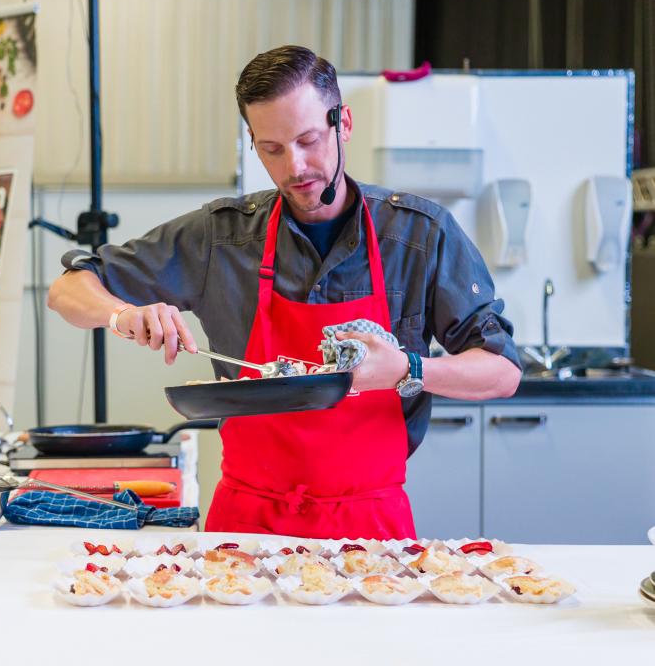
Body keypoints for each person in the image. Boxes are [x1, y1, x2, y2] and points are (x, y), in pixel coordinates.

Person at [48, 45, 521, 539]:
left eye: (309, 139)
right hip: (247, 528)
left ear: (345, 123)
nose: (294, 167)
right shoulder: (222, 238)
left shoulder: (419, 235)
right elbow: (68, 289)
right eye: (272, 148)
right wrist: (121, 315)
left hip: (371, 529)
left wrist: (409, 369)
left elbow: (503, 371)